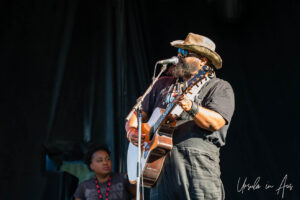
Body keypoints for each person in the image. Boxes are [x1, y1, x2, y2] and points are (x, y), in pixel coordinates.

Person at [125, 33, 235, 200]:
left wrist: (192, 108)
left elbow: (216, 122)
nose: (179, 56)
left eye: (185, 53)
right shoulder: (162, 83)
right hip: (159, 166)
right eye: (179, 51)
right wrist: (132, 132)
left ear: (203, 60)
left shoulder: (219, 87)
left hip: (196, 164)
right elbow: (135, 114)